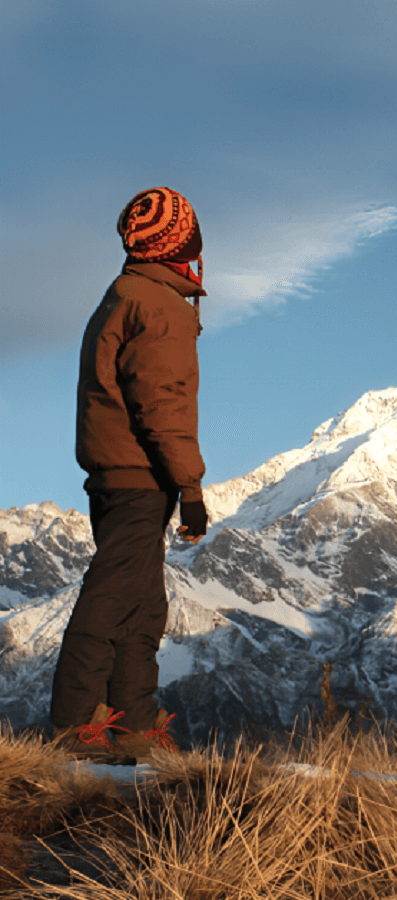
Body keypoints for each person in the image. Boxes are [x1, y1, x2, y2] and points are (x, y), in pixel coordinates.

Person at [50, 187, 210, 762]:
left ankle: (132, 725)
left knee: (143, 602)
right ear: (179, 243)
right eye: (191, 235)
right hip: (139, 472)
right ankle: (75, 726)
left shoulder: (126, 295)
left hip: (120, 469)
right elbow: (161, 401)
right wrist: (189, 489)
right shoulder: (158, 306)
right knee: (116, 595)